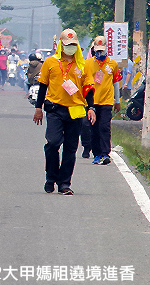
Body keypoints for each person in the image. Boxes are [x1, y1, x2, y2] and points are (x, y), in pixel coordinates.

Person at [33, 29, 95, 195]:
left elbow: (88, 88)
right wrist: (38, 108)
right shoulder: (50, 62)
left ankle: (64, 183)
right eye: (67, 45)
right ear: (61, 44)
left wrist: (91, 108)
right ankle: (51, 177)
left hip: (75, 110)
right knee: (52, 144)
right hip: (55, 109)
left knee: (70, 148)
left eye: (74, 45)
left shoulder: (82, 64)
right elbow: (43, 85)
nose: (70, 48)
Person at [83, 36, 121, 165]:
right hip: (92, 103)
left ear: (106, 49)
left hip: (106, 101)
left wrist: (117, 101)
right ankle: (97, 153)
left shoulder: (112, 64)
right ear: (93, 49)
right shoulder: (87, 64)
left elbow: (115, 83)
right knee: (93, 128)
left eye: (102, 50)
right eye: (97, 50)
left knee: (104, 127)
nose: (100, 53)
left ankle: (105, 153)